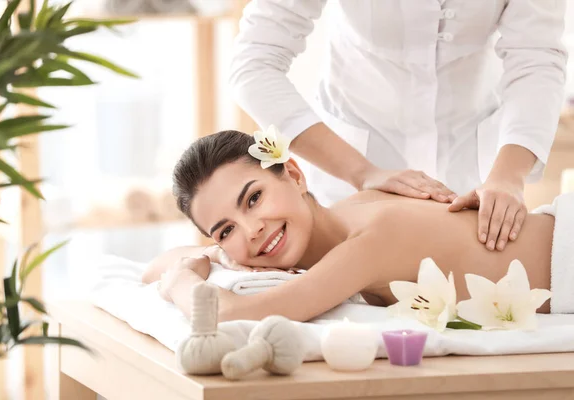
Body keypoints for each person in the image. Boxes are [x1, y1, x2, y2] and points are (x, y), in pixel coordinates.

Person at [228, 0, 567, 252]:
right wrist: (362, 172)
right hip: (352, 178)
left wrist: (508, 176)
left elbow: (536, 61)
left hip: (472, 179)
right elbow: (253, 66)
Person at [142, 130, 555, 323]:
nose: (250, 230)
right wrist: (210, 254)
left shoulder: (371, 239)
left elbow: (232, 315)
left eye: (253, 199)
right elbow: (151, 267)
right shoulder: (346, 219)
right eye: (225, 230)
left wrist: (181, 279)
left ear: (295, 173)